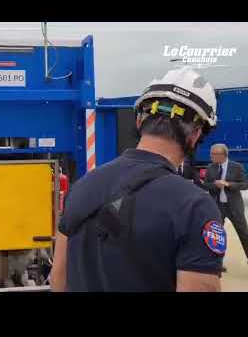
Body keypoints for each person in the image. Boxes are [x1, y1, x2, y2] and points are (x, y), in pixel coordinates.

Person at [50, 67, 225, 292]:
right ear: (196, 133)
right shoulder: (194, 205)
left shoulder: (83, 186)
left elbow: (59, 279)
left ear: (140, 121)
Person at [204, 143, 248, 266]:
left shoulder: (237, 167)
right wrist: (214, 185)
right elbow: (206, 184)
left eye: (214, 154)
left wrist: (229, 184)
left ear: (223, 155)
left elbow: (245, 184)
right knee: (216, 236)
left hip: (234, 207)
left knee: (244, 233)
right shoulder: (210, 167)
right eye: (211, 154)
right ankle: (216, 264)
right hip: (218, 207)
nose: (211, 156)